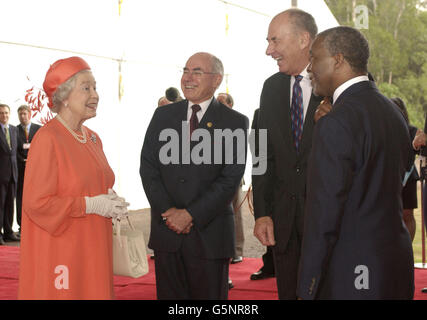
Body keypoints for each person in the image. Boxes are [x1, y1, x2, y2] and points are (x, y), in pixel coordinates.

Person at [297, 26, 414, 300]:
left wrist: (307, 286)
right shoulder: (392, 111)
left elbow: (323, 214)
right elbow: (402, 173)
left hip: (353, 271)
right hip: (394, 262)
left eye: (314, 58)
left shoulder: (336, 122)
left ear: (338, 60)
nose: (309, 68)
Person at [18, 56, 129, 299]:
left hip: (94, 245)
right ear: (64, 97)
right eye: (86, 88)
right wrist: (90, 204)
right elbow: (36, 203)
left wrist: (111, 201)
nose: (95, 95)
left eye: (95, 87)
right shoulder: (48, 139)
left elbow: (95, 182)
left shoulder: (92, 138)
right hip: (63, 253)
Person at [140, 52, 249, 299]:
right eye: (185, 71)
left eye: (197, 72)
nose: (188, 78)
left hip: (209, 235)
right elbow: (148, 167)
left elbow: (230, 178)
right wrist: (168, 212)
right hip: (167, 234)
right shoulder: (163, 116)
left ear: (216, 79)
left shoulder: (235, 122)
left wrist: (190, 215)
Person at [252, 9, 322, 299]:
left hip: (326, 223)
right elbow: (261, 155)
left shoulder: (337, 84)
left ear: (304, 39)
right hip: (283, 224)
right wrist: (263, 212)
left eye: (275, 41)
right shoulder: (271, 88)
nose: (269, 50)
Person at [217, 92, 245, 264]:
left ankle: (236, 251)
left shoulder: (237, 122)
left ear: (230, 104)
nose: (217, 104)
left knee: (235, 214)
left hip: (233, 175)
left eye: (221, 101)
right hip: (215, 177)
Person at [249, 108, 275, 280]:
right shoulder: (261, 112)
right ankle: (270, 265)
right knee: (271, 224)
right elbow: (255, 145)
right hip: (272, 180)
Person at [391, 97, 419, 242]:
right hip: (388, 178)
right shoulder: (382, 130)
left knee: (407, 215)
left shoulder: (412, 130)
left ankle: (407, 251)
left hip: (408, 179)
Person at [16, 105, 42, 236]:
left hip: (35, 169)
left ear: (30, 114)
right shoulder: (15, 130)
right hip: (20, 169)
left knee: (37, 196)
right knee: (20, 197)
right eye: (20, 114)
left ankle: (37, 224)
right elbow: (14, 150)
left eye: (25, 113)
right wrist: (23, 160)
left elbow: (42, 148)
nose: (22, 116)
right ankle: (22, 226)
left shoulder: (39, 129)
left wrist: (32, 161)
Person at [0, 104, 19, 245]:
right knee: (0, 205)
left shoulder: (14, 129)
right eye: (1, 113)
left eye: (6, 113)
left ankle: (8, 232)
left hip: (13, 174)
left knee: (10, 205)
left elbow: (15, 152)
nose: (4, 115)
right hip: (0, 175)